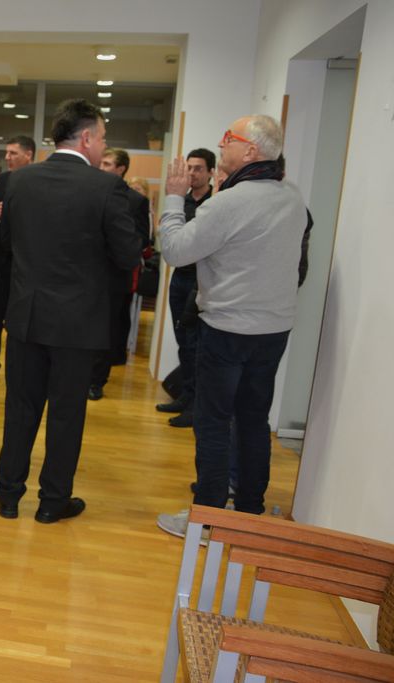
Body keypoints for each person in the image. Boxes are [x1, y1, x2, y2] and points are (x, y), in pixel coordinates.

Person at [156, 116, 308, 536]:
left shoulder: (228, 203)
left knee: (213, 422)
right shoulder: (292, 198)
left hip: (227, 329)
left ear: (251, 151)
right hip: (273, 330)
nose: (222, 144)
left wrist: (174, 200)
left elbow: (176, 251)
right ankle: (247, 515)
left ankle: (209, 521)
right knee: (254, 420)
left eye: (229, 139)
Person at [0, 99, 142, 523]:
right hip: (78, 322)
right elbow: (128, 255)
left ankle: (8, 494)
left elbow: (6, 244)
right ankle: (52, 501)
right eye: (103, 138)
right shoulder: (106, 188)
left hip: (27, 314)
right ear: (87, 138)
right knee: (66, 413)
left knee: (20, 408)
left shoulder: (18, 181)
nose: (104, 146)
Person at [156, 148, 216, 428]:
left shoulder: (216, 203)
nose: (192, 173)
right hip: (180, 278)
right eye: (189, 167)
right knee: (183, 340)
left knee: (197, 345)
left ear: (211, 172)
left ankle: (195, 406)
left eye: (198, 168)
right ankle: (185, 395)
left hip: (201, 282)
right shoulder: (181, 201)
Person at [89, 147, 152, 400]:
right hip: (86, 273)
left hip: (114, 277)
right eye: (101, 163)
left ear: (121, 169)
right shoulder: (90, 191)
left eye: (107, 164)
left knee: (107, 330)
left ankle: (96, 381)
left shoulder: (135, 200)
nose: (101, 167)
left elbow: (141, 240)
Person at [0, 135, 35, 387]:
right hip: (0, 263)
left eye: (13, 153)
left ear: (28, 155)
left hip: (28, 265)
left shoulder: (39, 180)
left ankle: (20, 371)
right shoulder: (2, 181)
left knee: (21, 322)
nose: (7, 157)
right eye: (7, 152)